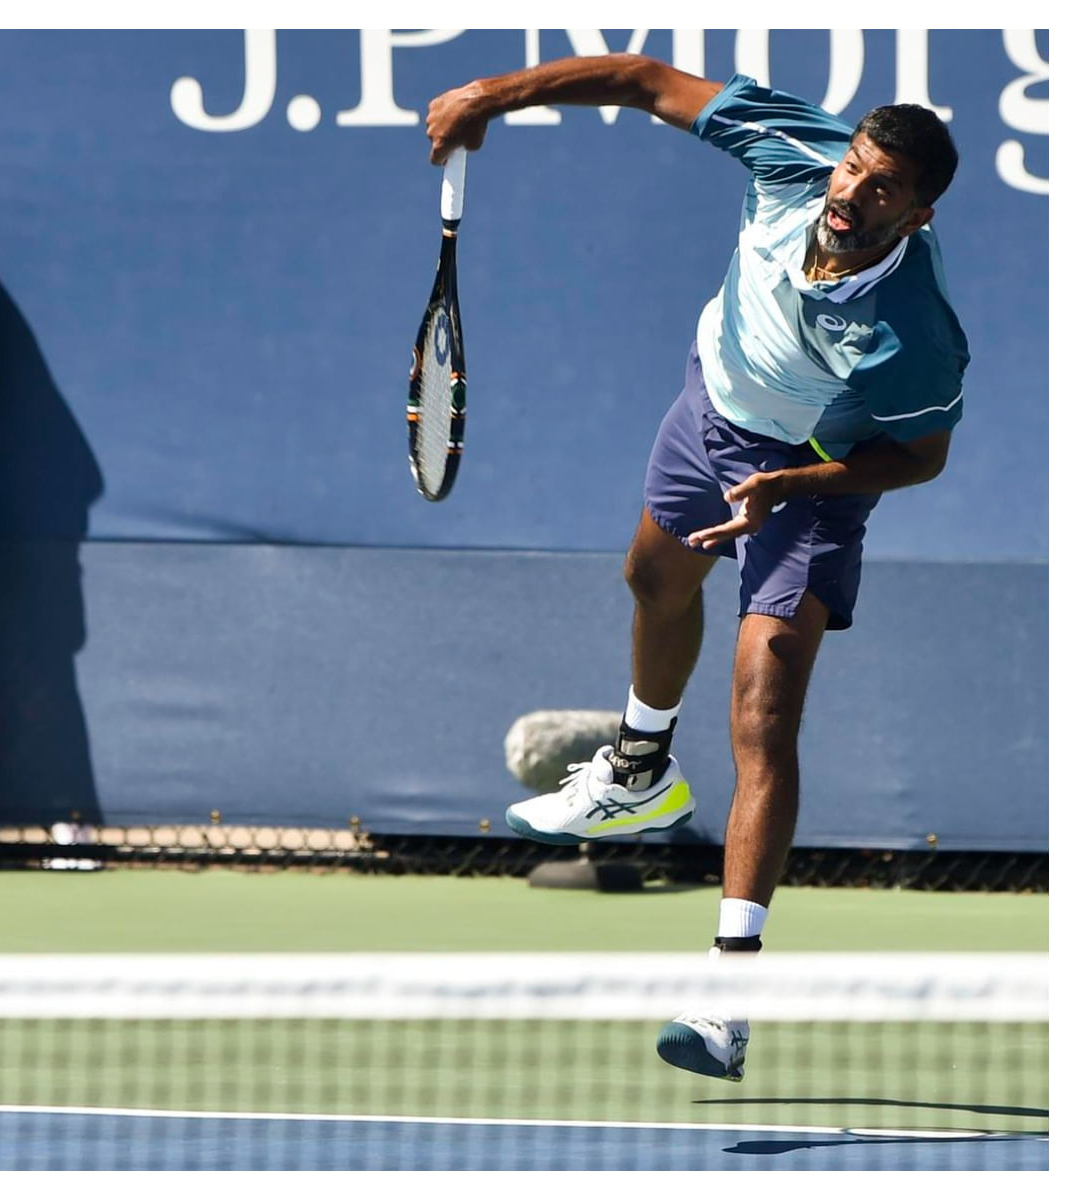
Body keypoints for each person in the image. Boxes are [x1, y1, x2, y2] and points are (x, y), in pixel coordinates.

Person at [424, 56, 966, 1082]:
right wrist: (487, 97)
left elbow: (921, 457)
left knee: (763, 710)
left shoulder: (909, 331)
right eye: (852, 166)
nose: (851, 191)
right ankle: (636, 772)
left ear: (918, 213)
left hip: (812, 474)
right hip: (712, 407)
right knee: (649, 580)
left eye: (882, 186)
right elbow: (635, 80)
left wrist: (793, 489)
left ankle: (729, 989)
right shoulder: (790, 151)